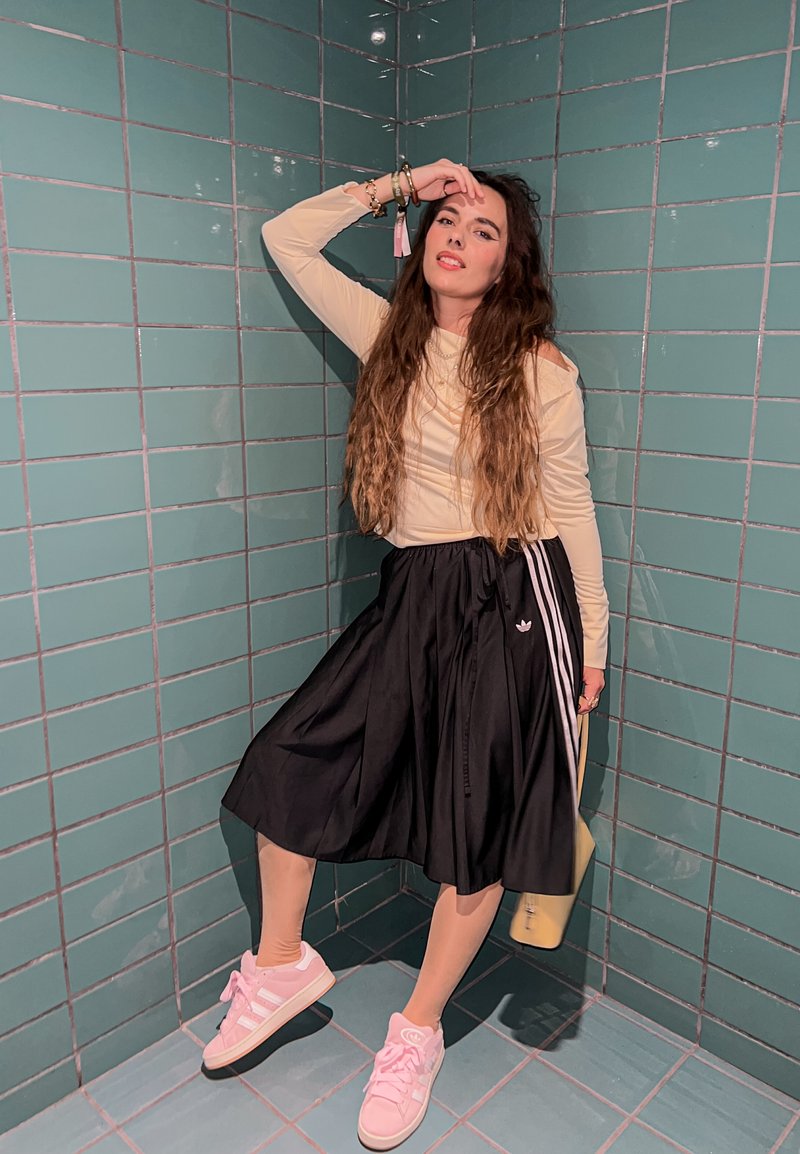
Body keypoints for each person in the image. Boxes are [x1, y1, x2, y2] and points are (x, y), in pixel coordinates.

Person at [202, 159, 608, 1151]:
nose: (454, 235)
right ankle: (284, 962)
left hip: (516, 601)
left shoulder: (542, 373)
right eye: (445, 219)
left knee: (473, 835)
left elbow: (570, 511)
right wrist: (395, 184)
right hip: (416, 593)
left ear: (511, 263)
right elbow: (286, 238)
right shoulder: (391, 335)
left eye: (482, 228)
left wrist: (590, 639)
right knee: (290, 764)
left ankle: (415, 1029)